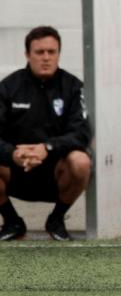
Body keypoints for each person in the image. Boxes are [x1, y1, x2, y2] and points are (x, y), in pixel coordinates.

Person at [0, 26, 92, 241]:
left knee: (81, 161)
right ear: (27, 54)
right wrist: (12, 153)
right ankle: (12, 221)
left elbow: (81, 133)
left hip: (56, 172)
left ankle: (56, 220)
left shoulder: (73, 87)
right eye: (40, 52)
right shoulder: (8, 87)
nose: (46, 58)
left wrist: (47, 148)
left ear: (58, 54)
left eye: (52, 52)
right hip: (16, 169)